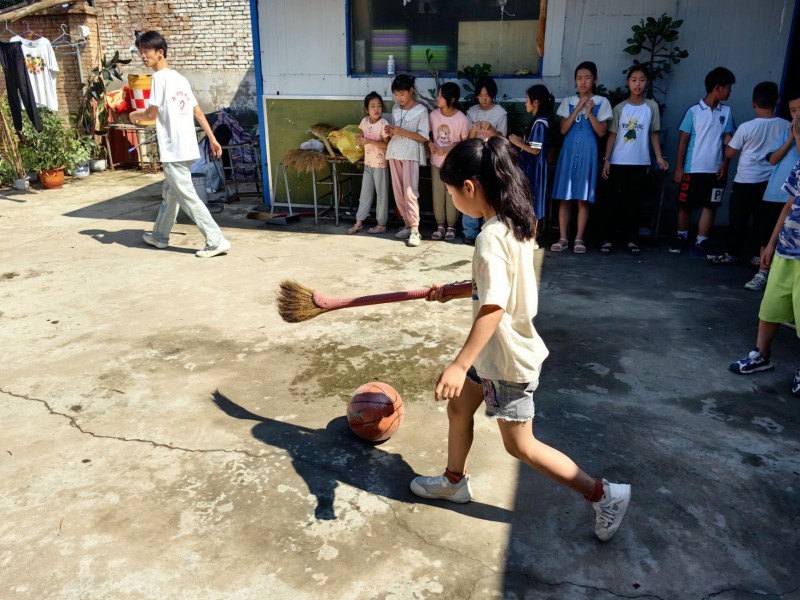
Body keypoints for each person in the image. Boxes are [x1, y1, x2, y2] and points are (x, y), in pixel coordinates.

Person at [410, 137, 632, 542]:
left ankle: (603, 494)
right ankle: (453, 480)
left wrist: (460, 364)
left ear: (470, 188)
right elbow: (497, 287)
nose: (451, 198)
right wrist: (458, 289)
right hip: (492, 356)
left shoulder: (489, 238)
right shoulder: (516, 222)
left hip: (505, 360)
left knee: (521, 446)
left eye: (450, 191)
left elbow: (494, 308)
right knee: (460, 409)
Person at [130, 31, 230, 258]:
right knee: (170, 193)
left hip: (173, 147)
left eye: (146, 52)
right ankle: (159, 235)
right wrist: (212, 138)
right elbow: (197, 112)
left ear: (160, 53)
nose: (143, 56)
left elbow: (152, 113)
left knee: (186, 195)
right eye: (140, 52)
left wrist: (136, 115)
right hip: (186, 146)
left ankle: (215, 239)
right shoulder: (180, 78)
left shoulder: (159, 78)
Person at [729, 158, 800, 396]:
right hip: (786, 250)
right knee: (770, 308)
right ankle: (761, 354)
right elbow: (789, 204)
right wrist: (771, 243)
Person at [710, 82, 785, 266]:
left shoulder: (746, 127)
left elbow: (730, 153)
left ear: (753, 104)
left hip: (745, 180)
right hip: (770, 182)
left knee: (738, 220)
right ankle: (759, 256)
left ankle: (732, 253)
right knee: (763, 221)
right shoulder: (786, 126)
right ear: (777, 101)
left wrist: (728, 141)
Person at [599, 65, 669, 255]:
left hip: (640, 162)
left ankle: (631, 239)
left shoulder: (651, 106)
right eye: (634, 80)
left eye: (642, 80)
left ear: (647, 82)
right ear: (628, 83)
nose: (638, 84)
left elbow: (653, 133)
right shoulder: (620, 108)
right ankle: (608, 239)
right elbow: (612, 135)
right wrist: (607, 159)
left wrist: (658, 157)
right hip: (618, 162)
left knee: (634, 203)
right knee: (613, 201)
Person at [669, 66, 736, 257]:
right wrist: (679, 168)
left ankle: (701, 241)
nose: (730, 91)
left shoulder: (727, 112)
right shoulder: (693, 111)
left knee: (710, 205)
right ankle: (681, 237)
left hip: (715, 169)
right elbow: (683, 140)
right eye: (728, 87)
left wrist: (725, 166)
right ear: (718, 87)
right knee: (685, 204)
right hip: (692, 168)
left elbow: (729, 142)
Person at [550, 61, 612, 254]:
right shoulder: (568, 101)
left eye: (587, 78)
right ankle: (563, 238)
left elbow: (602, 133)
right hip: (569, 152)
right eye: (579, 78)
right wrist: (578, 108)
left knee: (582, 198)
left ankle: (579, 238)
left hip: (588, 152)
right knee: (565, 196)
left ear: (595, 80)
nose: (583, 82)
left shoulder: (602, 102)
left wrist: (590, 112)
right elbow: (563, 129)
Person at [744, 94, 800, 291]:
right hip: (775, 191)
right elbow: (773, 159)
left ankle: (781, 280)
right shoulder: (786, 131)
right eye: (793, 110)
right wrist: (791, 137)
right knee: (766, 233)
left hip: (794, 196)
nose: (797, 114)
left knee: (789, 235)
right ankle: (762, 273)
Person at [385, 74, 429, 248]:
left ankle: (415, 229)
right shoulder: (396, 108)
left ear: (411, 91)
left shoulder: (422, 110)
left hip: (410, 154)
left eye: (402, 94)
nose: (399, 98)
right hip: (394, 152)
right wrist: (390, 132)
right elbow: (397, 131)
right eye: (396, 94)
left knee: (410, 192)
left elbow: (423, 136)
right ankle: (406, 224)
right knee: (398, 192)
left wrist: (401, 131)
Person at [463, 76, 507, 245]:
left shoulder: (500, 112)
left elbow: (503, 139)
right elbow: (467, 138)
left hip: (492, 157)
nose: (483, 99)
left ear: (493, 95)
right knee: (471, 191)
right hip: (475, 156)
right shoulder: (472, 112)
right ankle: (470, 231)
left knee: (490, 193)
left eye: (487, 95)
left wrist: (491, 129)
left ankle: (489, 231)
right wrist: (475, 128)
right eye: (480, 95)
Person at [428, 82, 471, 241]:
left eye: (441, 95)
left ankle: (452, 226)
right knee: (437, 193)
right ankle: (440, 225)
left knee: (452, 193)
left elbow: (464, 143)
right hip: (435, 162)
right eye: (438, 94)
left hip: (453, 163)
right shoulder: (433, 116)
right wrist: (430, 144)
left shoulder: (461, 119)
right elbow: (429, 136)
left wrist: (448, 149)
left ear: (451, 99)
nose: (437, 98)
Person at [509, 84, 553, 226]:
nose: (525, 103)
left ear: (536, 102)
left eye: (527, 100)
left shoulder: (540, 123)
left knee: (532, 200)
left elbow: (535, 150)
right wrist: (522, 141)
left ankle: (532, 235)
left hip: (534, 168)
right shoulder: (538, 122)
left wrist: (518, 142)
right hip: (532, 166)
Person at [349, 91, 389, 235]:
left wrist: (369, 141)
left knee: (381, 196)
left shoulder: (384, 124)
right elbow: (362, 138)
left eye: (379, 106)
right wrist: (359, 140)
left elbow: (387, 145)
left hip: (380, 165)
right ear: (367, 109)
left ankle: (381, 224)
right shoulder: (364, 122)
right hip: (368, 164)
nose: (376, 109)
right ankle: (359, 222)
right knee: (364, 194)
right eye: (372, 106)